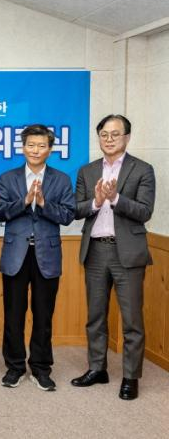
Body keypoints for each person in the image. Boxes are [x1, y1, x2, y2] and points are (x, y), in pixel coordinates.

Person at [71, 114, 155, 401]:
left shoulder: (142, 169)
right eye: (104, 134)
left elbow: (145, 211)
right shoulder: (87, 171)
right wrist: (96, 202)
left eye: (115, 134)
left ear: (127, 137)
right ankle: (97, 368)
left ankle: (131, 376)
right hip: (95, 250)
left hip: (127, 252)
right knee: (95, 316)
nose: (109, 139)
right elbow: (76, 209)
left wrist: (115, 198)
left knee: (132, 320)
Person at [0, 124, 75, 391]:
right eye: (31, 145)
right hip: (16, 254)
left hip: (47, 255)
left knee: (43, 314)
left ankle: (41, 367)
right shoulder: (8, 178)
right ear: (23, 147)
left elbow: (68, 215)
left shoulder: (61, 180)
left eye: (41, 146)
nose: (35, 150)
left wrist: (42, 204)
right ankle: (15, 366)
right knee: (13, 314)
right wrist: (24, 201)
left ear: (50, 150)